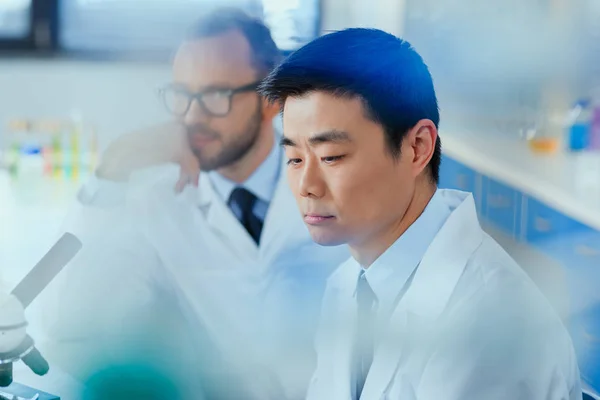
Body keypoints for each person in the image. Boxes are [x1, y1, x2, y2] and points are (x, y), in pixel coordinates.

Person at [39, 8, 348, 400]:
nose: (192, 116)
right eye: (182, 95)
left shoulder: (336, 180)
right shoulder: (158, 202)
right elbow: (66, 322)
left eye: (216, 95)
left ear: (273, 99)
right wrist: (114, 168)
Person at [258, 28, 582, 399]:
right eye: (294, 159)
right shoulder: (350, 283)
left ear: (417, 147)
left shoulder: (490, 327)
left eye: (331, 156)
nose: (306, 186)